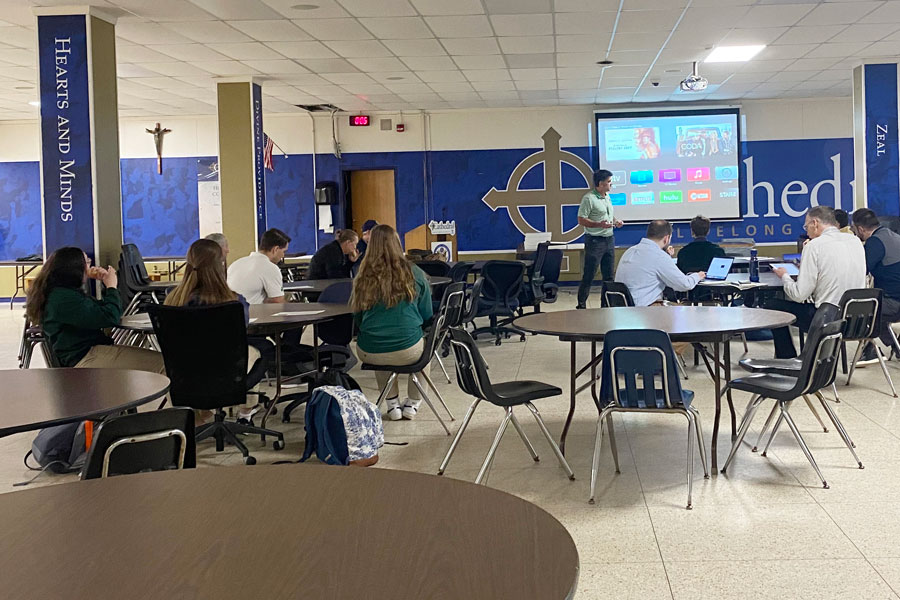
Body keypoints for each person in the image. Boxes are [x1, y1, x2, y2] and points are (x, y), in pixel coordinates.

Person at [166, 239, 260, 423]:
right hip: (226, 369)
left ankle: (204, 414)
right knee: (256, 351)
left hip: (184, 371)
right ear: (220, 266)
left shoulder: (173, 299)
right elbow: (242, 329)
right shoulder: (233, 301)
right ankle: (246, 411)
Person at [26, 247, 164, 372]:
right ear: (75, 269)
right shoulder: (64, 299)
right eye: (87, 262)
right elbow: (110, 316)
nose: (90, 266)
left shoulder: (61, 293)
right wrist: (111, 287)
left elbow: (99, 311)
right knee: (166, 365)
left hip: (88, 352)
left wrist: (104, 284)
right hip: (86, 357)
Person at [351, 224, 433, 421]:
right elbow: (426, 314)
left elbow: (358, 319)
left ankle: (392, 404)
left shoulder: (362, 276)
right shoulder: (414, 273)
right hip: (407, 349)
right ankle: (413, 404)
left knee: (380, 349)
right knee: (426, 351)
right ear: (397, 244)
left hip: (368, 351)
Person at [768, 206, 866, 358]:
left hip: (827, 320)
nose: (806, 231)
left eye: (806, 226)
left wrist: (785, 276)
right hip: (857, 320)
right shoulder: (855, 241)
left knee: (772, 307)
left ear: (815, 223)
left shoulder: (814, 246)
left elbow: (799, 295)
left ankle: (787, 358)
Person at [615, 220, 706, 307]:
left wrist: (666, 257)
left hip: (623, 309)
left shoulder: (630, 251)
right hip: (644, 311)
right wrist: (697, 276)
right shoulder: (659, 256)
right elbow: (684, 284)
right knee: (686, 312)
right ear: (666, 238)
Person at [851, 208, 900, 358]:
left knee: (859, 311)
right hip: (896, 299)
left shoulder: (875, 242)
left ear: (860, 228)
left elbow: (861, 271)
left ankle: (871, 351)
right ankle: (894, 346)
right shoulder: (893, 236)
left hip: (893, 303)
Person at [576, 169, 624, 309]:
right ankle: (581, 304)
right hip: (594, 241)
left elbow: (608, 216)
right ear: (601, 184)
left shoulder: (607, 197)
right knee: (589, 274)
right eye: (609, 182)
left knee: (609, 276)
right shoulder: (588, 198)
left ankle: (606, 304)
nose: (611, 184)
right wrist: (599, 224)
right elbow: (581, 220)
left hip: (609, 239)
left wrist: (616, 221)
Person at [227, 228, 290, 304]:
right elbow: (277, 302)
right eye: (284, 251)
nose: (283, 255)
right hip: (250, 313)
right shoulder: (270, 268)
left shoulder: (236, 263)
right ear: (275, 249)